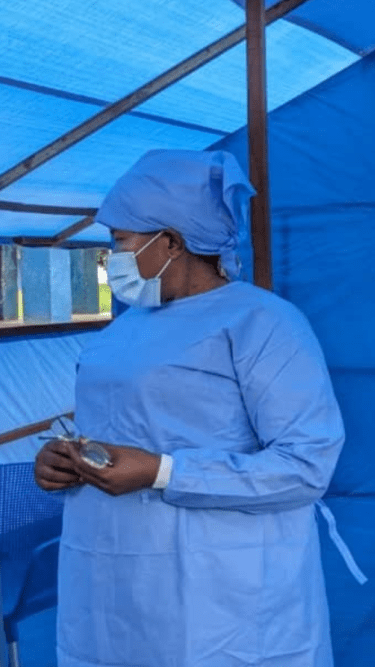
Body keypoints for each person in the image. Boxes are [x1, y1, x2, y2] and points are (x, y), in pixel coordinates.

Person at [35, 149, 346, 667]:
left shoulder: (262, 323)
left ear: (171, 242)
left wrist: (163, 472)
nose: (111, 256)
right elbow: (112, 428)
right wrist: (64, 461)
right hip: (110, 580)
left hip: (222, 594)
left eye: (120, 241)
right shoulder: (126, 327)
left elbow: (306, 465)